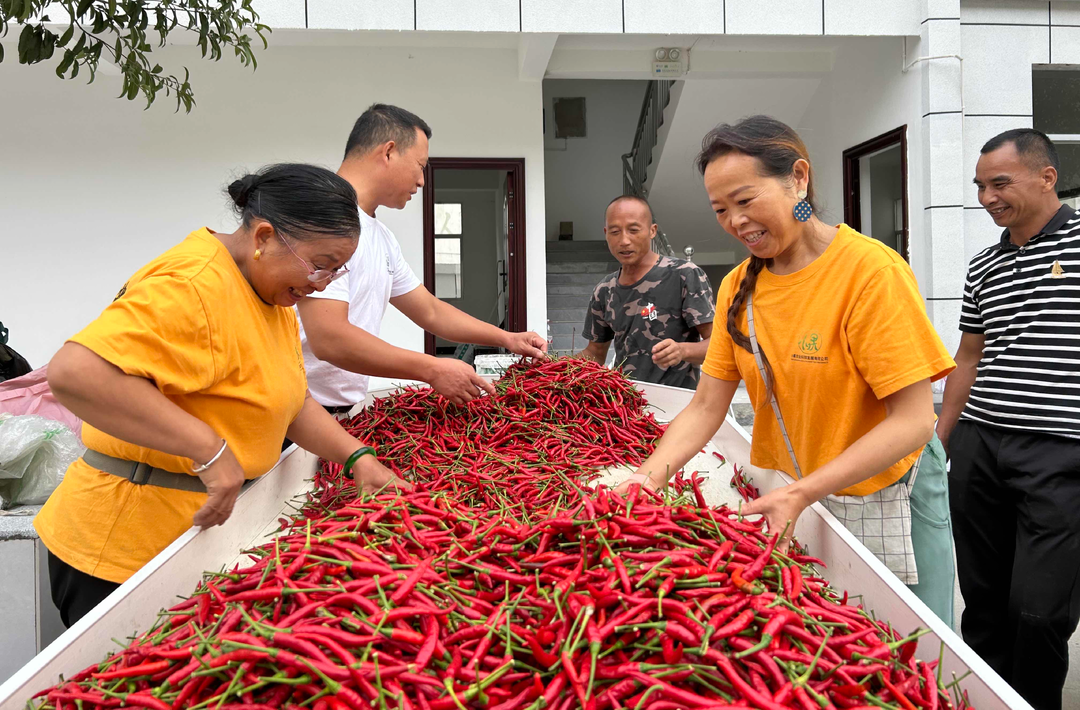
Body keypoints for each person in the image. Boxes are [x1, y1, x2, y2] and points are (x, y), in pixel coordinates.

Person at [34, 164, 408, 627]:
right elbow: (77, 372)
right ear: (265, 236)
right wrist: (209, 450)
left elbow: (290, 401)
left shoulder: (269, 292)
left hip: (190, 542)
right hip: (123, 551)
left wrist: (359, 460)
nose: (322, 283)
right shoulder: (193, 285)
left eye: (336, 271)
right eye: (320, 264)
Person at [617, 116, 957, 624]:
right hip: (800, 490)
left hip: (885, 493)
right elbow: (707, 406)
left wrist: (801, 492)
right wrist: (647, 477)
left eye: (746, 200)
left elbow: (913, 421)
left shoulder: (870, 273)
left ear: (798, 178)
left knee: (913, 651)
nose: (736, 222)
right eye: (720, 209)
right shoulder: (738, 286)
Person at [936, 129, 1080, 710]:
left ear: (1046, 177)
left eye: (1000, 183)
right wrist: (939, 439)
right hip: (979, 445)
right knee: (985, 601)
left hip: (1060, 451)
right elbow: (969, 357)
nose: (987, 197)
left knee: (1040, 610)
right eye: (980, 186)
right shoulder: (984, 264)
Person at [297, 104, 547, 414]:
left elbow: (429, 311)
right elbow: (329, 339)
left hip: (339, 411)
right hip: (298, 414)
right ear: (388, 152)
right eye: (420, 165)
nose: (422, 181)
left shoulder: (381, 237)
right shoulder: (321, 216)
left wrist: (508, 338)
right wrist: (431, 369)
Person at [578, 195, 715, 388]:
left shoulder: (684, 275)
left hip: (678, 405)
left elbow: (719, 345)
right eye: (615, 232)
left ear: (652, 231)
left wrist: (682, 351)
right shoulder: (604, 290)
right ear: (605, 233)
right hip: (625, 405)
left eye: (634, 230)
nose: (624, 240)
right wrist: (551, 365)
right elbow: (595, 353)